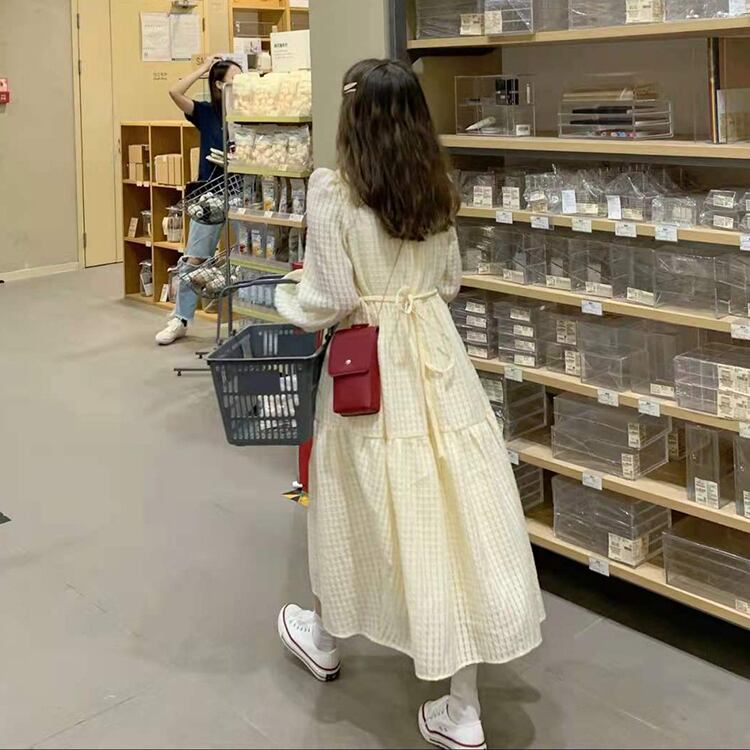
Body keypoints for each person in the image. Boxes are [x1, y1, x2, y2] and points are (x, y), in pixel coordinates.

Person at [274, 59, 544, 749]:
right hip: (437, 357)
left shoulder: (334, 192)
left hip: (369, 362)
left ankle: (325, 636)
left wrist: (284, 296)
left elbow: (329, 298)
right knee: (450, 510)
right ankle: (463, 704)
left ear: (352, 116)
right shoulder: (435, 190)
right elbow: (449, 282)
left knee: (352, 496)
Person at [156, 56, 241, 346]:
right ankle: (180, 319)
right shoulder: (205, 112)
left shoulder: (247, 112)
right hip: (212, 191)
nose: (239, 86)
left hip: (244, 192)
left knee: (251, 255)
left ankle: (253, 317)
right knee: (195, 257)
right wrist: (203, 69)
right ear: (218, 85)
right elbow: (175, 92)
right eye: (233, 81)